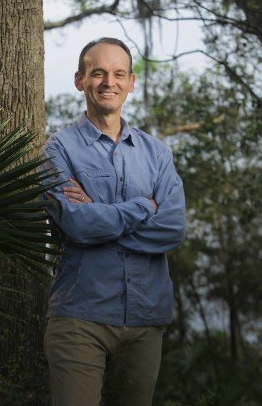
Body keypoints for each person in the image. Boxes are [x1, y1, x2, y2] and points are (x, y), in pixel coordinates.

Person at [42, 37, 186, 406]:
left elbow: (172, 228)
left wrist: (99, 216)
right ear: (80, 80)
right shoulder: (58, 149)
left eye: (119, 73)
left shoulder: (156, 153)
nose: (109, 82)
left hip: (144, 320)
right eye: (98, 73)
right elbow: (75, 223)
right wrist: (142, 207)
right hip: (80, 318)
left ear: (131, 81)